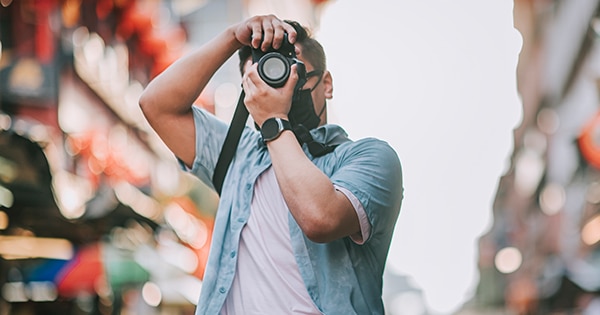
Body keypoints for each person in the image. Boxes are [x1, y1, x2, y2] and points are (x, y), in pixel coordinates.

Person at [139, 14, 403, 315]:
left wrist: (274, 122)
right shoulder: (240, 155)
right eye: (262, 76)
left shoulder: (371, 158)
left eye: (291, 69)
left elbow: (320, 218)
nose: (280, 86)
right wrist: (232, 36)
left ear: (326, 84)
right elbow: (156, 105)